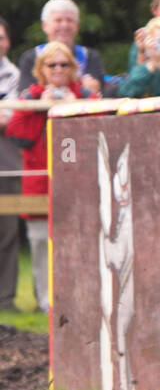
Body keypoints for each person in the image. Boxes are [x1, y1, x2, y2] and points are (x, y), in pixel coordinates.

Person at [5, 42, 98, 310]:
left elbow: (100, 131)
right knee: (39, 246)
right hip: (39, 185)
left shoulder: (87, 98)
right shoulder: (29, 98)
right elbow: (17, 133)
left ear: (73, 68)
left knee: (80, 244)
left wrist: (75, 108)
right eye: (51, 65)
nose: (57, 70)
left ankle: (81, 302)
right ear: (40, 69)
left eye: (63, 64)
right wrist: (42, 107)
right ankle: (46, 304)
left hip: (79, 185)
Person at [16, 0, 106, 95]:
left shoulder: (90, 56)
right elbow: (24, 95)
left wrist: (94, 89)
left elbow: (101, 93)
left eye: (69, 20)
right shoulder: (31, 58)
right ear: (45, 26)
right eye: (58, 20)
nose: (64, 25)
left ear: (77, 26)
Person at [0, 18, 21, 310]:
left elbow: (11, 117)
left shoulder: (14, 74)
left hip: (6, 154)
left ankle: (5, 298)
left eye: (1, 37)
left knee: (8, 227)